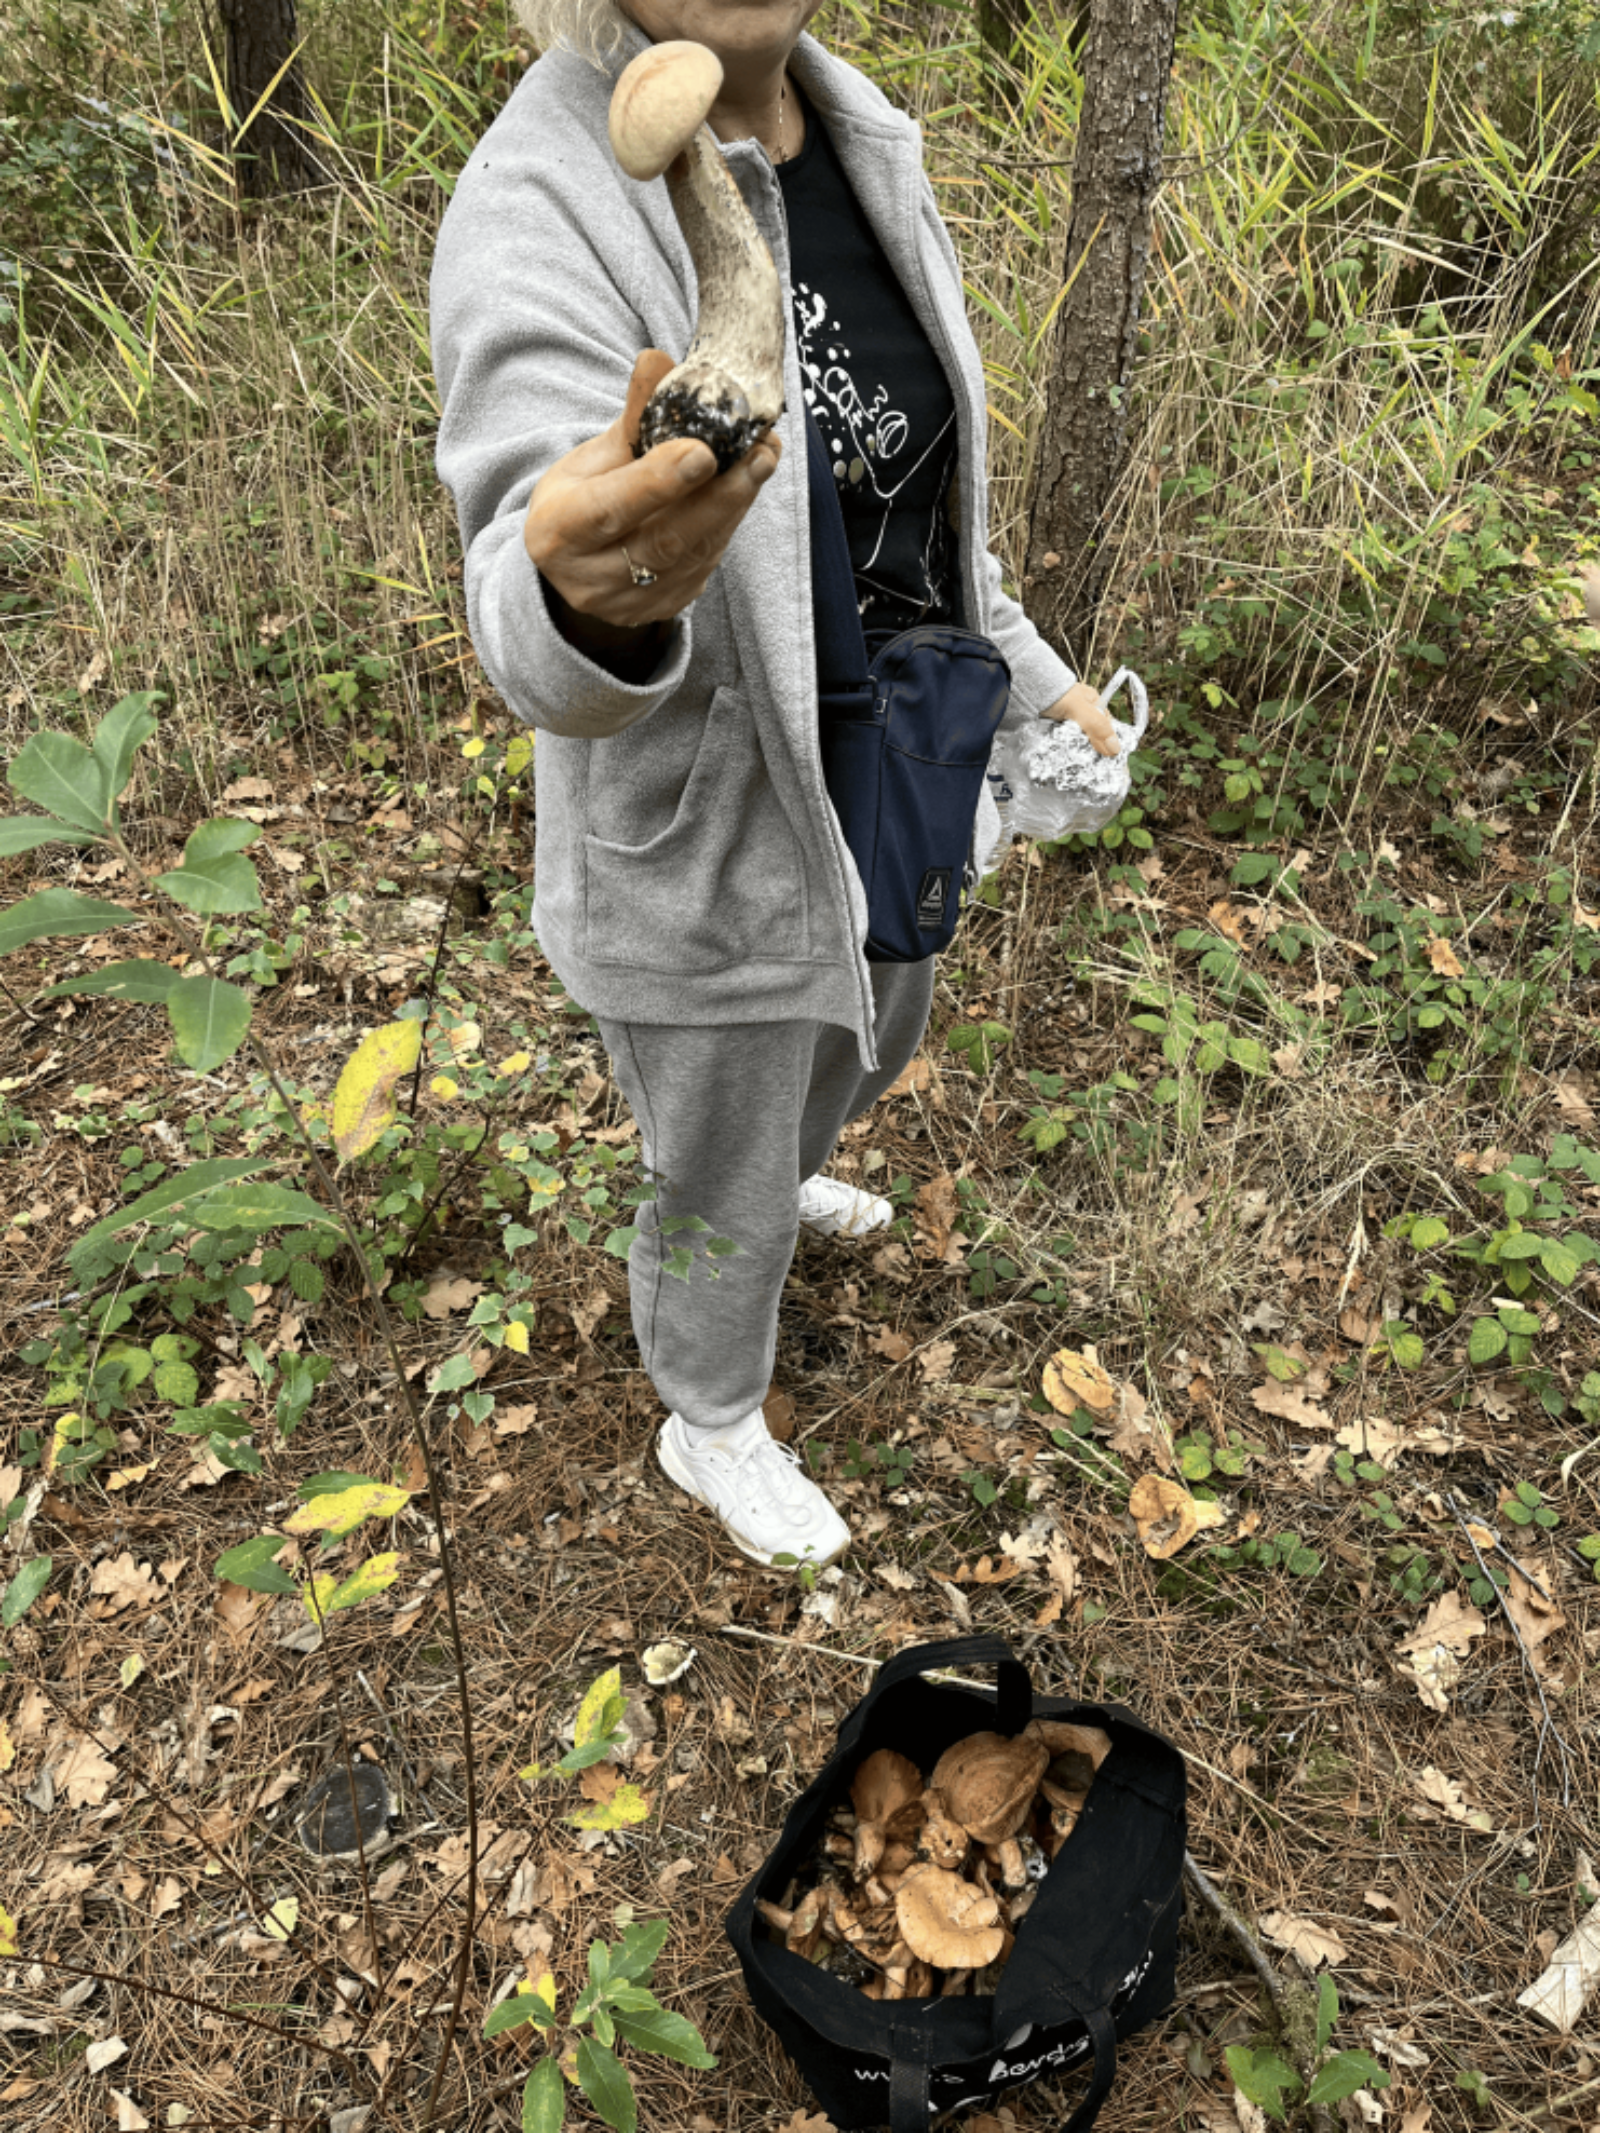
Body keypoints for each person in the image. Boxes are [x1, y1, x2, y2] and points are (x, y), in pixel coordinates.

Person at [430, 0, 1119, 1571]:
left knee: (886, 1019)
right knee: (719, 1151)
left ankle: (773, 1175)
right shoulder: (540, 191)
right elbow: (528, 564)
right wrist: (590, 588)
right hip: (714, 824)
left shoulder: (857, 134)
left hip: (899, 754)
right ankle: (708, 1410)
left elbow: (926, 496)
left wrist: (1033, 667)